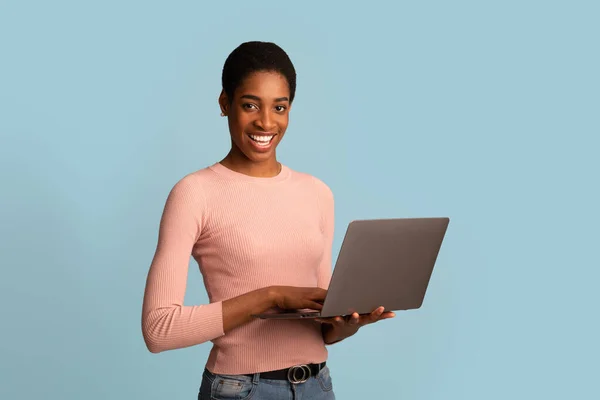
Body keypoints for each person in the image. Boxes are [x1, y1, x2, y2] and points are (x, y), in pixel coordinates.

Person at [141, 41, 395, 400]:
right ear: (224, 104)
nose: (266, 122)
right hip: (239, 388)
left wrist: (347, 324)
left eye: (280, 107)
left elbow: (322, 327)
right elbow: (158, 330)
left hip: (316, 386)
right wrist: (272, 296)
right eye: (249, 105)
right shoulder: (194, 192)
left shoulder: (317, 193)